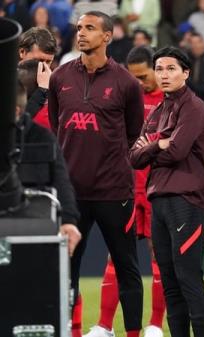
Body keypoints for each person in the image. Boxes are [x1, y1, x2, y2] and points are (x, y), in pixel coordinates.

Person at [47, 11, 145, 337]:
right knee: (67, 273)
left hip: (115, 191)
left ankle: (133, 333)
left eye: (90, 28)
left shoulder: (127, 83)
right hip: (72, 196)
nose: (82, 33)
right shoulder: (60, 78)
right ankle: (70, 332)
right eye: (79, 28)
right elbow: (55, 125)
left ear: (108, 36)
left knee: (127, 267)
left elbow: (132, 132)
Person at [129, 46, 204, 337]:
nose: (164, 75)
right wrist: (159, 144)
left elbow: (176, 151)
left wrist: (154, 146)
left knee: (187, 277)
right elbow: (134, 157)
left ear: (186, 73)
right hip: (160, 199)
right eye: (160, 69)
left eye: (171, 69)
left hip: (187, 199)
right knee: (170, 282)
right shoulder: (158, 110)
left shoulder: (194, 107)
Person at [85, 46, 166, 337]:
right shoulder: (122, 95)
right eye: (134, 77)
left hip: (158, 187)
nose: (138, 83)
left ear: (156, 70)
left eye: (143, 77)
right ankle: (104, 325)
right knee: (116, 255)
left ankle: (155, 325)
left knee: (159, 254)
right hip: (126, 186)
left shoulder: (171, 98)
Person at [15, 64, 81, 257]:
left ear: (16, 111)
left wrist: (69, 220)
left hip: (34, 221)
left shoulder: (41, 137)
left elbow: (60, 179)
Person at [17, 27, 57, 128]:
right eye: (38, 60)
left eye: (48, 61)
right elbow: (18, 124)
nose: (44, 67)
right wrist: (42, 91)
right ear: (22, 52)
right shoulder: (5, 79)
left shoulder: (55, 85)